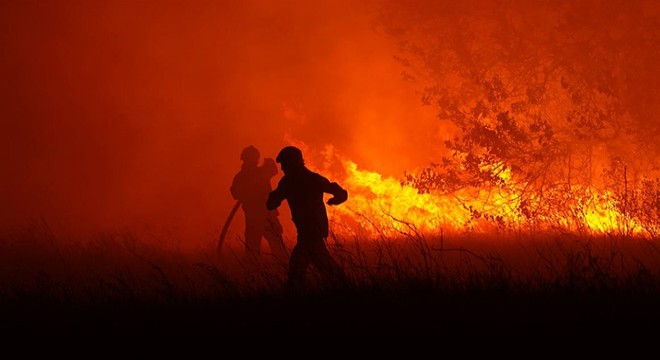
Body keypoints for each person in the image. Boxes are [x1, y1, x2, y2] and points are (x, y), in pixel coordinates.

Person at [266, 146, 348, 290]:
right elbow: (272, 202)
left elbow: (271, 203)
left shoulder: (299, 181)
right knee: (322, 267)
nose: (283, 168)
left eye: (285, 164)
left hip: (311, 233)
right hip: (308, 232)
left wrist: (336, 199)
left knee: (298, 271)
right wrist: (335, 199)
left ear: (294, 162)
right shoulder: (300, 180)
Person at [230, 145, 287, 264]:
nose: (253, 161)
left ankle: (282, 268)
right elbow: (235, 193)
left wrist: (269, 162)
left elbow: (273, 170)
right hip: (254, 217)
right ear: (245, 159)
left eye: (254, 158)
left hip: (267, 215)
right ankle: (253, 273)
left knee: (277, 246)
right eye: (250, 158)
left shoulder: (261, 172)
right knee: (253, 249)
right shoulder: (241, 177)